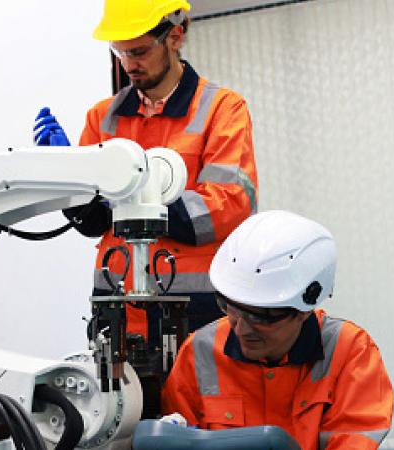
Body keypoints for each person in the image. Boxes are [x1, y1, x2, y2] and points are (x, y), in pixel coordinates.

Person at [33, 0, 258, 342]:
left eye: (138, 51)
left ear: (175, 36)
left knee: (200, 397)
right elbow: (92, 222)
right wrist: (68, 174)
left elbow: (225, 207)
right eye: (119, 52)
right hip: (116, 309)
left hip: (194, 311)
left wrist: (125, 201)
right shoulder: (103, 117)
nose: (128, 64)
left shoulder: (222, 110)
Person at [161, 210, 394, 450]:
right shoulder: (200, 352)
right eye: (231, 308)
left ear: (304, 310)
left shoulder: (350, 353)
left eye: (260, 316)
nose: (241, 329)